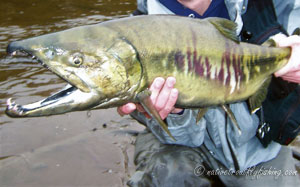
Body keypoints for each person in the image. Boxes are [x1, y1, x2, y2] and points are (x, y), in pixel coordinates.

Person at [118, 0, 300, 186]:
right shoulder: (130, 42)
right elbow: (183, 138)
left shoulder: (273, 4)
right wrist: (175, 113)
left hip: (260, 150)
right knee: (169, 174)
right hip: (183, 149)